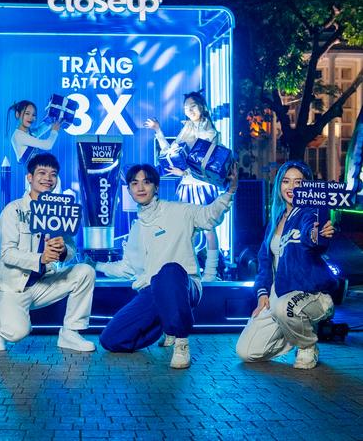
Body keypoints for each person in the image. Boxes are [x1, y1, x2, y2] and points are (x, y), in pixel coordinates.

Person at [96, 162, 238, 369]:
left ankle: (181, 342)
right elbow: (126, 268)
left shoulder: (179, 210)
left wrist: (230, 190)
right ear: (129, 190)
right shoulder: (136, 229)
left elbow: (210, 216)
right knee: (110, 339)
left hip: (185, 285)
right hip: (152, 291)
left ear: (156, 187)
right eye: (134, 183)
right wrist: (95, 265)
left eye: (146, 182)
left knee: (168, 271)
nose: (140, 187)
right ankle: (167, 323)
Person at [0, 152, 96, 353]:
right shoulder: (13, 210)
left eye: (53, 174)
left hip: (43, 283)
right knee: (16, 333)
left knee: (85, 272)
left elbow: (71, 249)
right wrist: (40, 258)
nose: (48, 178)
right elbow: (7, 254)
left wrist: (63, 250)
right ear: (29, 178)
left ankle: (70, 333)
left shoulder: (60, 210)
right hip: (12, 288)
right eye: (42, 173)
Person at [236, 160, 337, 370]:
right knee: (247, 352)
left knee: (284, 308)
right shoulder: (276, 219)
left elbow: (313, 235)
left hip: (310, 293)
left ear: (307, 186)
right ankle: (293, 329)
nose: (291, 187)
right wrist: (262, 294)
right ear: (279, 186)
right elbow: (265, 262)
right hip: (278, 294)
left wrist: (317, 234)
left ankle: (307, 345)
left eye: (298, 182)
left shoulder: (310, 213)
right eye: (286, 181)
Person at [145, 91, 223, 281]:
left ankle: (211, 272)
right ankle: (191, 271)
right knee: (186, 230)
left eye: (192, 106)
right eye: (186, 108)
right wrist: (158, 130)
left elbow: (206, 163)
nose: (189, 110)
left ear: (202, 107)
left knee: (208, 228)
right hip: (187, 186)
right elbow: (169, 152)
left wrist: (185, 172)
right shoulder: (186, 130)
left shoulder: (210, 132)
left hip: (202, 185)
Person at [9, 100, 61, 165]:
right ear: (17, 114)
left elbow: (39, 130)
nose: (31, 117)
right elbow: (47, 145)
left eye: (33, 115)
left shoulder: (27, 133)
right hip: (34, 170)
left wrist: (51, 119)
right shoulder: (19, 136)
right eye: (27, 113)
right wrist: (54, 131)